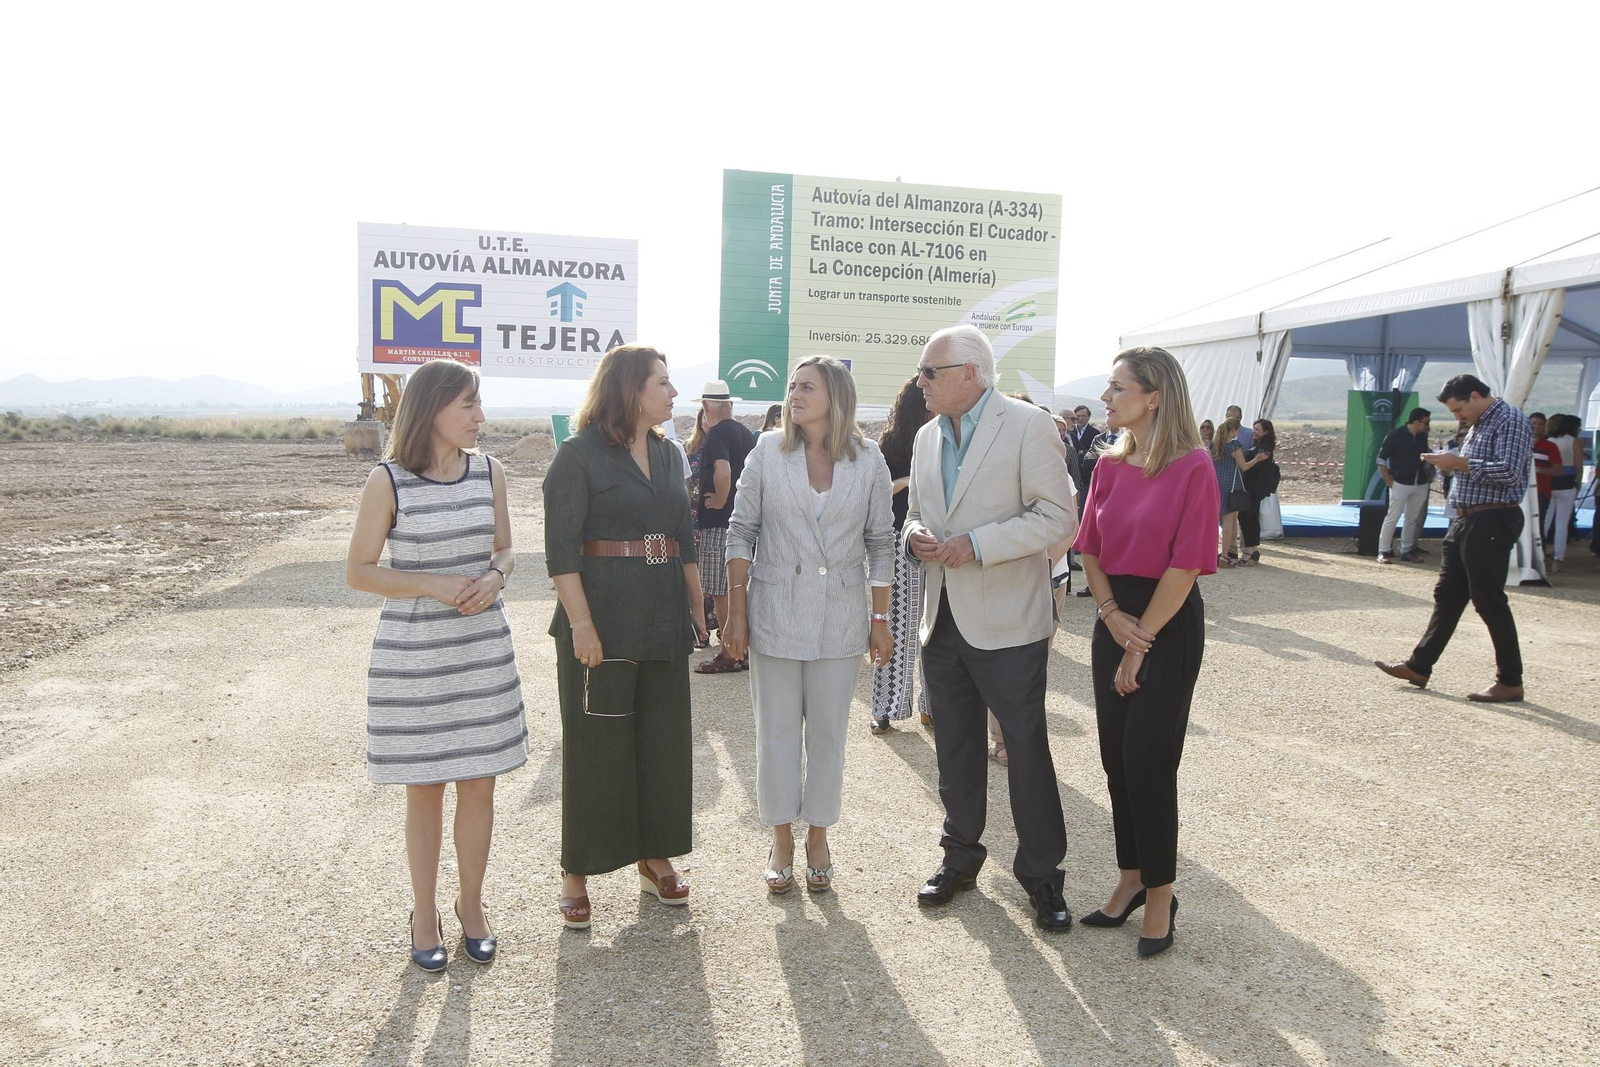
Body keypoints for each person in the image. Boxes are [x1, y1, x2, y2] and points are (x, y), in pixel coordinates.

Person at [345, 359, 527, 971]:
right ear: (431, 410)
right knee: (424, 789)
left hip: (482, 651)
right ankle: (425, 913)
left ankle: (471, 905)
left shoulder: (491, 472)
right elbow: (359, 571)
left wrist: (497, 576)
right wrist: (433, 584)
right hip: (415, 658)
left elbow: (505, 548)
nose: (480, 417)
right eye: (468, 406)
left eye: (480, 404)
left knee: (480, 784)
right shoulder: (387, 481)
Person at [902, 324, 1077, 930]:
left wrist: (977, 544)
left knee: (1025, 749)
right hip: (942, 617)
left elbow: (1059, 519)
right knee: (953, 749)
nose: (920, 381)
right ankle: (960, 858)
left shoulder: (1029, 426)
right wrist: (914, 535)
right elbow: (918, 512)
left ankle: (1041, 876)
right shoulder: (926, 437)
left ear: (970, 374)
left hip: (1008, 620)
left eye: (931, 371)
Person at [543, 345, 708, 929]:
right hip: (601, 620)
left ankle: (654, 855)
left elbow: (683, 539)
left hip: (661, 617)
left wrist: (697, 609)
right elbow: (562, 552)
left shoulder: (669, 456)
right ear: (630, 390)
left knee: (663, 742)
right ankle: (577, 873)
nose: (672, 394)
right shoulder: (577, 456)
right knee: (595, 746)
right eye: (662, 383)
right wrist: (583, 626)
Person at [722, 356, 895, 893]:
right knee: (774, 733)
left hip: (840, 617)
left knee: (828, 734)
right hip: (774, 609)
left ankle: (818, 834)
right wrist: (735, 611)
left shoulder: (868, 460)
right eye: (792, 385)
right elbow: (740, 530)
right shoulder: (767, 452)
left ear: (836, 396)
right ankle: (780, 837)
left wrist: (880, 617)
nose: (794, 394)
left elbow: (881, 542)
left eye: (806, 387)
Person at [1073, 346, 1216, 958]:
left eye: (1117, 388)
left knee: (1149, 761)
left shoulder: (1194, 467)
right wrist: (1110, 618)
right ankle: (1130, 876)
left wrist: (1141, 642)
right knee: (1115, 759)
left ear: (1154, 396)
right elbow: (1090, 550)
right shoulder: (1108, 464)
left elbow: (1186, 566)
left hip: (1167, 620)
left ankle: (1161, 892)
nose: (1106, 398)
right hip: (1115, 617)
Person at [1375, 374, 1533, 703]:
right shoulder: (1479, 423)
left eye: (1459, 409)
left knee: (1489, 600)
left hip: (1491, 517)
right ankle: (1419, 666)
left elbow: (1510, 471)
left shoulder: (1510, 420)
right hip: (1467, 518)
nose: (1457, 417)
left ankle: (1510, 680)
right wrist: (1451, 464)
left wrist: (1458, 462)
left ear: (1476, 396)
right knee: (1448, 596)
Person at [871, 375, 935, 733]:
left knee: (936, 630)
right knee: (896, 626)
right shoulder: (892, 446)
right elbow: (880, 493)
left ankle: (933, 706)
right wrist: (912, 480)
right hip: (900, 541)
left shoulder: (950, 438)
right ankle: (886, 707)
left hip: (941, 543)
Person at [695, 380, 758, 674]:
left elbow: (723, 472)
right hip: (747, 522)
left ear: (707, 407)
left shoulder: (717, 433)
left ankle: (729, 652)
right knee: (739, 586)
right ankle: (741, 649)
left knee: (721, 589)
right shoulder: (745, 433)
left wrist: (720, 500)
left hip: (720, 523)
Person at [1376, 408, 1433, 564]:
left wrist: (1428, 477)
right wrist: (1389, 481)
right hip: (1400, 482)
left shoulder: (1423, 436)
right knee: (1392, 517)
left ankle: (1406, 550)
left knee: (1412, 519)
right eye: (1426, 422)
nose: (1428, 426)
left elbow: (1423, 458)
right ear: (1416, 422)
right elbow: (1381, 459)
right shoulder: (1396, 435)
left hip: (1420, 483)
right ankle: (1384, 550)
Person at [1211, 417, 1269, 566]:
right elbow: (1244, 466)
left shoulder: (1214, 445)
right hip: (1231, 485)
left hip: (1217, 484)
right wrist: (1257, 459)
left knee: (1217, 521)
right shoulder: (1234, 445)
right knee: (1229, 521)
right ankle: (1224, 555)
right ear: (1234, 430)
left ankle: (1214, 553)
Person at [1238, 418, 1279, 565]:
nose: (1254, 432)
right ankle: (1253, 549)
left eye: (1257, 429)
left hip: (1254, 489)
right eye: (1254, 428)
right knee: (1252, 517)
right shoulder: (1260, 446)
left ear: (1265, 432)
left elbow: (1254, 465)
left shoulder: (1264, 448)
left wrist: (1247, 458)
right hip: (1254, 488)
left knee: (1245, 517)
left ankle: (1249, 550)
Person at [1544, 413, 1580, 571]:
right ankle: (1558, 558)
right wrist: (1578, 484)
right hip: (1567, 485)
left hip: (1549, 483)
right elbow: (1578, 467)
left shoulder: (1549, 441)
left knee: (1545, 521)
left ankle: (1539, 553)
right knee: (1561, 523)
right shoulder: (1574, 442)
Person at [1530, 412, 1558, 531]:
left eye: (1540, 424)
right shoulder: (1519, 443)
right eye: (1534, 423)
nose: (1537, 426)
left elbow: (1557, 470)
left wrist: (1536, 470)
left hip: (1541, 492)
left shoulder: (1550, 447)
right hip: (1520, 492)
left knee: (1538, 526)